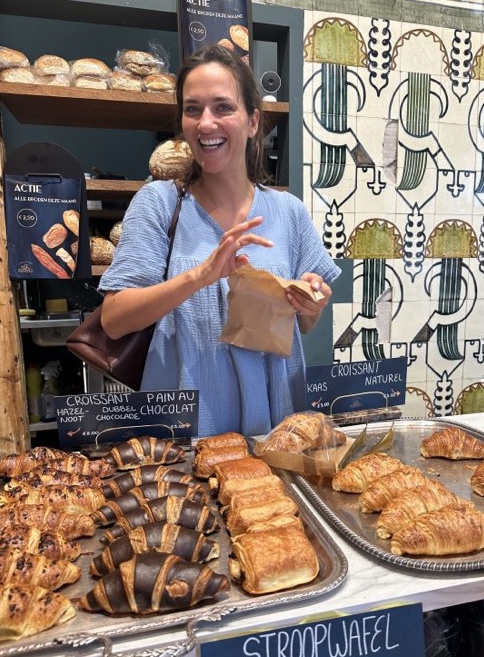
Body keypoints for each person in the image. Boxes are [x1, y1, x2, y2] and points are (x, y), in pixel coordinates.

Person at [99, 43, 340, 437]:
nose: (205, 123)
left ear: (252, 122)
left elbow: (307, 325)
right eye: (193, 109)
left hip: (275, 426)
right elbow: (113, 320)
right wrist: (202, 274)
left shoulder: (289, 212)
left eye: (223, 107)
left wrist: (311, 302)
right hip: (187, 430)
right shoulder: (160, 204)